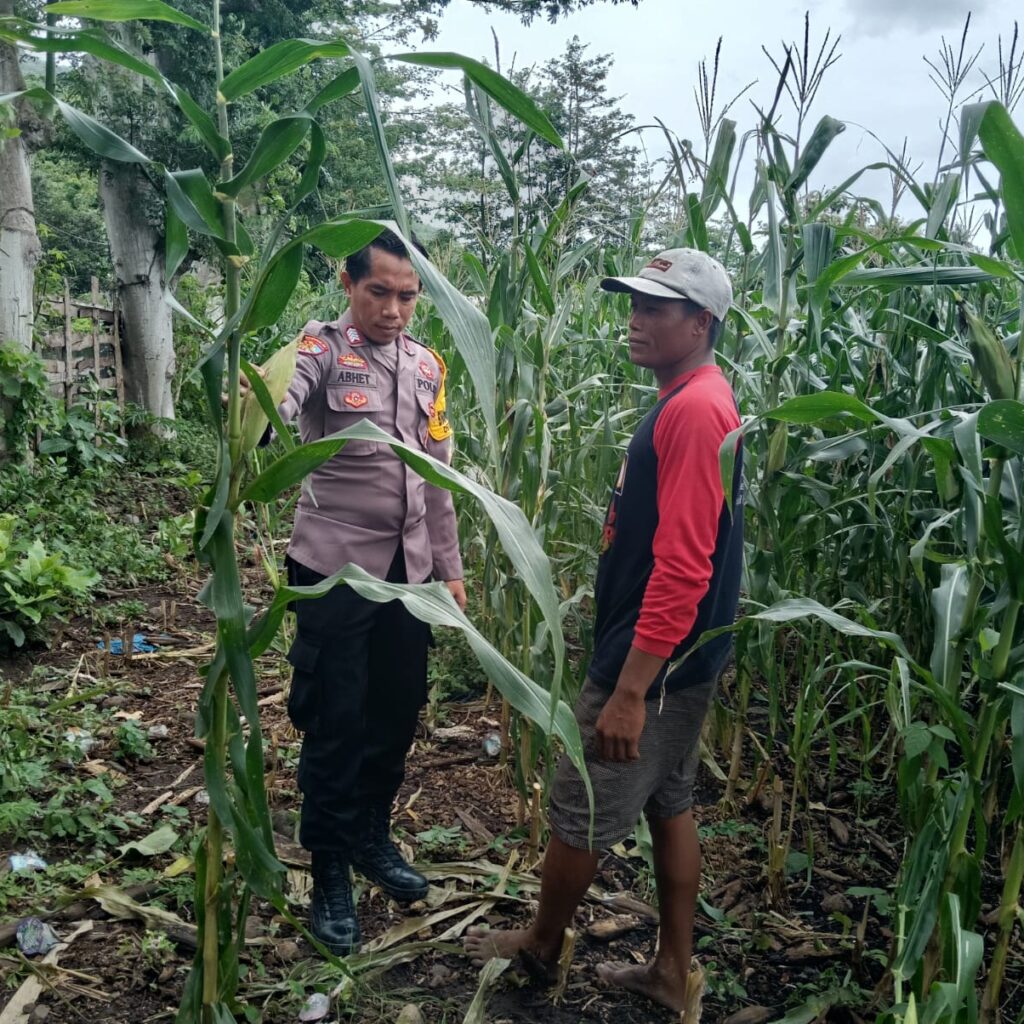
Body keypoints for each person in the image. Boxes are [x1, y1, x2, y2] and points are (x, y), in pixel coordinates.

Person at [464, 248, 744, 1016]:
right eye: (635, 302)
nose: (636, 319)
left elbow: (684, 567)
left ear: (701, 322)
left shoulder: (691, 410)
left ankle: (542, 948)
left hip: (649, 667)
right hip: (680, 663)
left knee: (580, 806)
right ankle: (673, 970)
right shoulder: (699, 397)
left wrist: (630, 689)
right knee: (671, 802)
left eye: (657, 307)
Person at [276, 228, 467, 956]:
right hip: (335, 569)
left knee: (396, 712)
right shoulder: (322, 349)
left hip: (409, 572)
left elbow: (440, 475)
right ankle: (327, 864)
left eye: (407, 296)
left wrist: (448, 568)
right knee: (336, 717)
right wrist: (257, 407)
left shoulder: (427, 365)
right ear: (349, 285)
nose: (393, 310)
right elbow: (283, 402)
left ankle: (369, 838)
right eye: (378, 292)